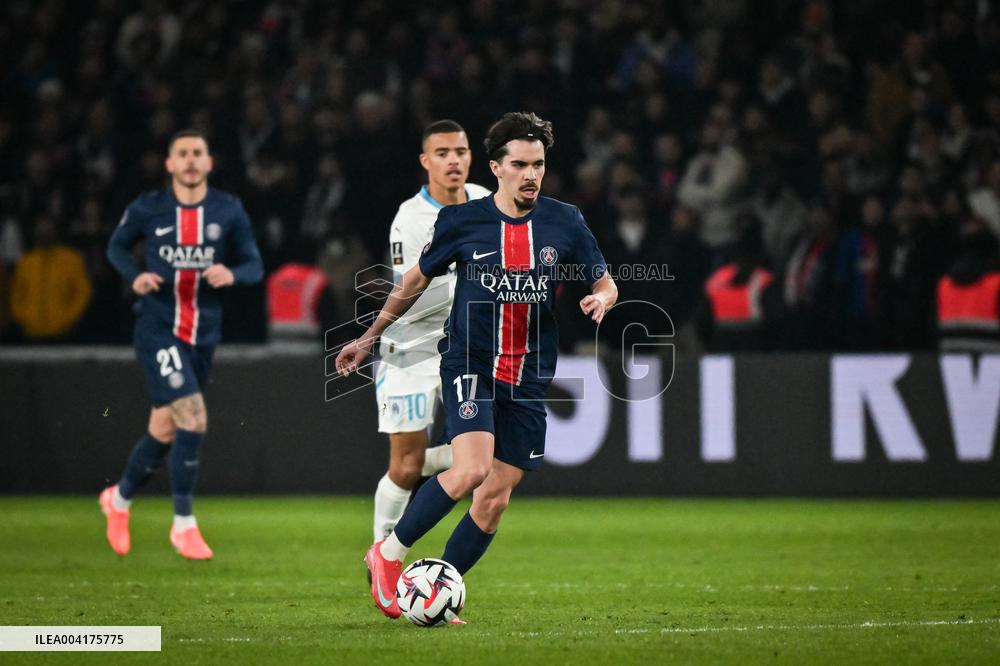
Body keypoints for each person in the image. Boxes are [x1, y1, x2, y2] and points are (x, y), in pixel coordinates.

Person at [335, 111, 617, 621]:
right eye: (520, 165)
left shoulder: (565, 220)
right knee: (470, 469)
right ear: (497, 167)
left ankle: (436, 589)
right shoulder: (464, 221)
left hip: (528, 374)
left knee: (494, 500)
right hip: (470, 361)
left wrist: (602, 298)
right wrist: (371, 337)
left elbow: (604, 279)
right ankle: (388, 553)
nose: (531, 174)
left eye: (539, 164)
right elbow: (415, 281)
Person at [100, 129, 263, 560]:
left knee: (165, 428)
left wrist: (233, 274)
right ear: (169, 164)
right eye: (182, 154)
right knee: (192, 417)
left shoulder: (227, 210)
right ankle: (184, 525)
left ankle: (117, 500)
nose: (190, 161)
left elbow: (254, 263)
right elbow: (116, 248)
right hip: (158, 327)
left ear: (209, 163)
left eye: (197, 154)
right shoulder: (149, 208)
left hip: (202, 334)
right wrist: (134, 276)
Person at [371, 120, 491, 543]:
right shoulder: (411, 218)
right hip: (411, 345)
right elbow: (411, 290)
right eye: (442, 153)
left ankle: (420, 567)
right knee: (405, 467)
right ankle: (381, 550)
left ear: (471, 156)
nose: (453, 160)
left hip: (463, 347)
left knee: (480, 465)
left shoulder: (485, 201)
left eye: (460, 151)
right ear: (426, 162)